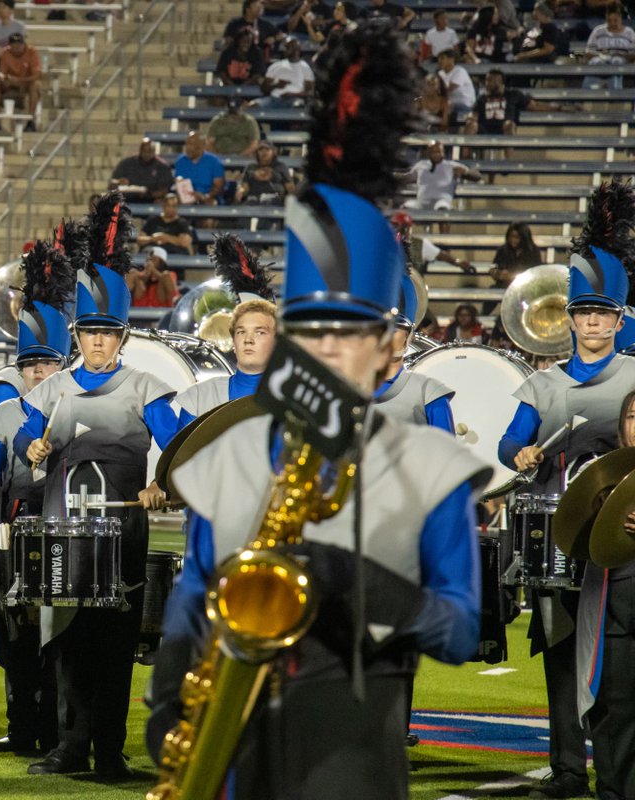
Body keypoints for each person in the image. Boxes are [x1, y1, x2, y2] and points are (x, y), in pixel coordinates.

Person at [147, 29, 488, 798]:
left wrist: (353, 578)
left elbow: (462, 631)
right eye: (309, 333)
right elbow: (192, 594)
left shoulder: (430, 469)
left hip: (354, 761)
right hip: (231, 752)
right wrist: (169, 696)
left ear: (386, 347)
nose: (327, 353)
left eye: (348, 335)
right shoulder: (232, 455)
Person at [18, 193, 178, 781]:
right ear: (77, 335)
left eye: (108, 334)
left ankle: (108, 752)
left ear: (123, 337)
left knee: (113, 644)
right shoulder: (53, 387)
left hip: (122, 529)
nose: (98, 343)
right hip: (65, 528)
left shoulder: (147, 386)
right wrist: (29, 447)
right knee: (66, 639)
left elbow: (175, 440)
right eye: (89, 333)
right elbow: (26, 433)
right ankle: (69, 747)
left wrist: (160, 480)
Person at [499, 182, 635, 800]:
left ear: (619, 318)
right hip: (560, 531)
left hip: (625, 534)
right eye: (583, 315)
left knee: (619, 658)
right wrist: (521, 452)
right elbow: (509, 443)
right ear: (570, 319)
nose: (592, 325)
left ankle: (616, 771)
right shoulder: (544, 381)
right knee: (559, 651)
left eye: (602, 315)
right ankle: (563, 771)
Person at [0, 232, 76, 756]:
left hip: (61, 513)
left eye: (48, 364)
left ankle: (57, 727)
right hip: (11, 513)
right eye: (32, 365)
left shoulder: (77, 388)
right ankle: (21, 723)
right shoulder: (3, 388)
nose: (39, 373)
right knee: (12, 620)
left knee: (56, 618)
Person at [575, 388, 635, 800]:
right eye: (633, 416)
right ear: (621, 426)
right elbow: (574, 533)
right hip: (614, 608)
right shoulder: (598, 471)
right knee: (616, 713)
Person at [175, 233, 276, 426]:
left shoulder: (291, 400)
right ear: (234, 341)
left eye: (260, 332)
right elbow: (182, 455)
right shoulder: (200, 397)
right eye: (241, 332)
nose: (248, 339)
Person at [375, 269, 455, 430]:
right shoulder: (346, 389)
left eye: (394, 329)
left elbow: (444, 451)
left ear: (408, 336)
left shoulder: (428, 393)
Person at [398, 141, 483, 212]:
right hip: (421, 203)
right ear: (428, 153)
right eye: (433, 152)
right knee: (405, 208)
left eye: (438, 152)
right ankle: (402, 232)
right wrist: (394, 176)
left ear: (443, 153)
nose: (436, 154)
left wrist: (466, 172)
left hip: (442, 201)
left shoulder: (452, 166)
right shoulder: (421, 165)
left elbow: (478, 176)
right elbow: (408, 178)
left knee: (442, 207)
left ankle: (444, 233)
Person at [0, 32, 40, 131]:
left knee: (34, 85)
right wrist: (4, 79)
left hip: (26, 81)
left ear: (23, 44)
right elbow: (1, 73)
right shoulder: (6, 53)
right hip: (11, 81)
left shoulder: (32, 52)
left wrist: (20, 80)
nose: (17, 47)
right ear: (10, 45)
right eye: (14, 45)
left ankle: (31, 120)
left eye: (19, 44)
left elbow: (37, 75)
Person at [109, 138, 174, 202]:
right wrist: (118, 182)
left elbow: (165, 190)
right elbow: (111, 183)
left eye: (149, 151)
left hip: (151, 201)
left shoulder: (162, 166)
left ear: (154, 152)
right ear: (140, 150)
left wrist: (149, 195)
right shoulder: (126, 163)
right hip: (127, 200)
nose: (147, 154)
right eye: (144, 151)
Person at [173, 131, 225, 206]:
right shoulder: (181, 161)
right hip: (186, 197)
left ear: (201, 146)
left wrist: (206, 196)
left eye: (191, 144)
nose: (188, 147)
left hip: (208, 197)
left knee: (212, 203)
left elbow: (218, 186)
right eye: (187, 144)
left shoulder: (214, 161)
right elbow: (178, 181)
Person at [260, 36, 313, 107]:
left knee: (298, 105)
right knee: (254, 105)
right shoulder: (276, 66)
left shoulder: (305, 67)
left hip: (294, 99)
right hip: (274, 99)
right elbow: (263, 89)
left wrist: (292, 94)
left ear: (296, 50)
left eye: (288, 48)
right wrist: (276, 85)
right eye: (286, 47)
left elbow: (310, 92)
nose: (285, 50)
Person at [491, 221, 542, 289]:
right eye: (511, 237)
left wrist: (511, 275)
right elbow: (495, 267)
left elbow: (535, 274)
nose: (513, 240)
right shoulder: (503, 250)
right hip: (505, 286)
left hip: (526, 287)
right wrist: (498, 273)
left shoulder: (533, 251)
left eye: (516, 237)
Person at [436, 49, 476, 123]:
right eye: (438, 59)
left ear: (451, 59)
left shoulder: (460, 71)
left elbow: (447, 90)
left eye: (442, 58)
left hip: (464, 106)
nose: (439, 61)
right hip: (449, 105)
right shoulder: (440, 73)